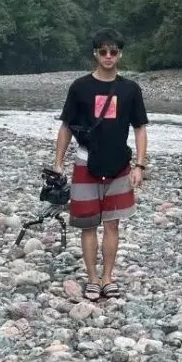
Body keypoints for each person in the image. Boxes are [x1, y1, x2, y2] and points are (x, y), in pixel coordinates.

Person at [53, 28, 149, 301]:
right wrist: (58, 163)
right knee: (87, 224)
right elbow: (66, 127)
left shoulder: (131, 89)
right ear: (95, 53)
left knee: (112, 224)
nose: (108, 56)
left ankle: (108, 278)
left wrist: (140, 166)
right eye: (103, 51)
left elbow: (140, 128)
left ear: (120, 54)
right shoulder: (80, 87)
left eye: (114, 51)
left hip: (119, 163)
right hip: (85, 162)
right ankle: (92, 279)